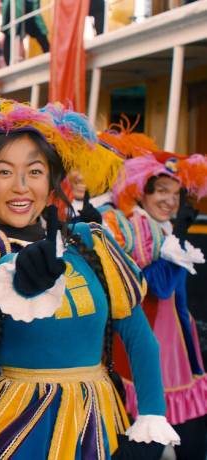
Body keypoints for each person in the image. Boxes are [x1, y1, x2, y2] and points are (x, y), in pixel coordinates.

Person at [0, 98, 178, 459]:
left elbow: (140, 338)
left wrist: (152, 421)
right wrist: (19, 275)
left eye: (34, 171)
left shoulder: (92, 243)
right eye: (4, 172)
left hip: (98, 422)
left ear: (51, 182)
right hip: (16, 425)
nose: (21, 186)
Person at [109, 150, 207, 459]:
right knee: (143, 441)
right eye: (162, 191)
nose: (171, 201)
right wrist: (177, 237)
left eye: (176, 194)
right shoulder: (133, 228)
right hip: (144, 351)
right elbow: (153, 288)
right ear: (141, 192)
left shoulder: (160, 229)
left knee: (190, 440)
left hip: (177, 349)